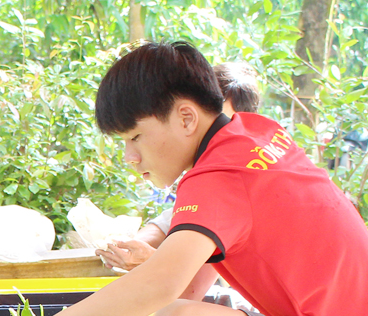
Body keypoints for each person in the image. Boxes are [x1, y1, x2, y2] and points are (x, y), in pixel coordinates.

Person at [0, 42, 368, 316]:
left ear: (185, 118)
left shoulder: (219, 176)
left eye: (135, 137)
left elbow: (163, 285)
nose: (130, 157)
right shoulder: (251, 134)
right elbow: (190, 283)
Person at [95, 60, 261, 275]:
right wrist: (129, 246)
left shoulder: (231, 177)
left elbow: (187, 284)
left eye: (221, 121)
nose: (130, 157)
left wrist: (156, 262)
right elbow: (169, 221)